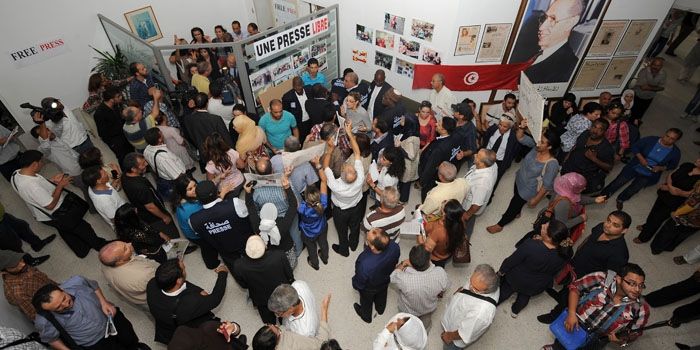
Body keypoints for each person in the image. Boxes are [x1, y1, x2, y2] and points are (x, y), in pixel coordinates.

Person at [536, 210, 631, 324]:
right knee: (566, 286)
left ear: (624, 230)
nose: (608, 225)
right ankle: (561, 295)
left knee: (570, 297)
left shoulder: (619, 253)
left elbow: (609, 278)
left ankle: (554, 315)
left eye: (615, 225)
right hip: (576, 265)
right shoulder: (602, 227)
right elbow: (588, 239)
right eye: (608, 220)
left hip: (585, 279)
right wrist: (577, 252)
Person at [11, 150, 107, 258]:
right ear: (34, 164)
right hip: (56, 212)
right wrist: (60, 186)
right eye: (41, 162)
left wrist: (52, 181)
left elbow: (38, 190)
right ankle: (100, 245)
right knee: (82, 227)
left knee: (65, 230)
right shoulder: (31, 186)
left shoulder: (17, 174)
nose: (42, 164)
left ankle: (81, 249)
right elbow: (50, 205)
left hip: (43, 216)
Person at [542, 263, 650, 350]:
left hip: (597, 339)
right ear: (618, 279)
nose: (637, 289)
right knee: (563, 339)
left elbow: (635, 332)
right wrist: (571, 313)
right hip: (575, 322)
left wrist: (622, 340)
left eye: (641, 285)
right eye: (632, 283)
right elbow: (575, 288)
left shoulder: (641, 308)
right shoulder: (600, 278)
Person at [32, 276, 149, 349]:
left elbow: (94, 286)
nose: (66, 304)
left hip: (111, 319)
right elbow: (52, 339)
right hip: (95, 342)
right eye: (58, 307)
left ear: (62, 289)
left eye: (63, 298)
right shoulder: (44, 321)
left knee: (129, 337)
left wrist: (104, 302)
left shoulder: (77, 281)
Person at [486, 123, 560, 234]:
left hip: (527, 190)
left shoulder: (552, 164)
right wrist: (522, 127)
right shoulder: (537, 147)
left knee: (513, 204)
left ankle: (500, 224)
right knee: (515, 197)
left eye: (543, 142)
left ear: (550, 147)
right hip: (519, 178)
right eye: (540, 139)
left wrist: (536, 200)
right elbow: (520, 137)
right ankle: (517, 211)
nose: (539, 142)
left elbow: (546, 185)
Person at [498, 220, 573, 317]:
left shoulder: (530, 245)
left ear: (549, 237)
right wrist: (542, 240)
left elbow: (512, 260)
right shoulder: (566, 253)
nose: (543, 225)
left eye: (545, 227)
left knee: (505, 291)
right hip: (537, 284)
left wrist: (501, 271)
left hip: (517, 278)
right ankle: (515, 311)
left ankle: (494, 303)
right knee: (524, 297)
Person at [147, 259, 229, 344]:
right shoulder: (190, 303)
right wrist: (223, 273)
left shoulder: (152, 284)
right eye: (184, 269)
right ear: (178, 280)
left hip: (166, 324)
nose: (185, 268)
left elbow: (183, 283)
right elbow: (215, 299)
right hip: (187, 328)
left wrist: (199, 290)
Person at [601, 128, 682, 210]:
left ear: (676, 141)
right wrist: (641, 158)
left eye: (672, 139)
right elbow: (635, 147)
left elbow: (673, 165)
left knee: (634, 188)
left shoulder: (675, 152)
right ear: (664, 134)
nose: (667, 139)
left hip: (650, 173)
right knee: (619, 181)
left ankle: (621, 199)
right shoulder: (651, 140)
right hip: (636, 165)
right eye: (667, 136)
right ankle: (604, 195)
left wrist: (661, 168)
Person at [635, 157, 700, 244]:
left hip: (675, 201)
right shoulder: (687, 165)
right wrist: (669, 186)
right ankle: (646, 226)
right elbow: (671, 175)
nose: (698, 159)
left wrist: (669, 188)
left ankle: (644, 237)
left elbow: (688, 194)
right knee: (653, 212)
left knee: (657, 219)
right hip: (664, 192)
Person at [189, 180, 253, 268]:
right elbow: (248, 213)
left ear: (198, 199)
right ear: (217, 192)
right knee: (254, 259)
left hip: (223, 248)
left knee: (235, 267)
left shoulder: (193, 220)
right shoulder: (234, 203)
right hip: (244, 241)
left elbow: (200, 233)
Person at [232, 235, 294, 324]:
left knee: (268, 320)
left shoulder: (238, 265)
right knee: (284, 315)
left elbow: (243, 285)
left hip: (260, 297)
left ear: (246, 250)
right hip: (281, 293)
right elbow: (289, 274)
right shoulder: (279, 255)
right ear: (265, 246)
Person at [325, 122, 365, 257]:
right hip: (356, 208)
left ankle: (344, 249)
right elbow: (357, 152)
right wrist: (349, 133)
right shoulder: (359, 179)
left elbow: (326, 167)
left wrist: (330, 150)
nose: (349, 165)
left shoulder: (335, 185)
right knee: (355, 228)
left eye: (348, 167)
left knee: (342, 231)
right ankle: (353, 244)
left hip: (340, 212)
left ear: (341, 175)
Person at [520, 0, 584, 84]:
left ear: (571, 22)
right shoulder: (530, 46)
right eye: (545, 18)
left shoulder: (567, 69)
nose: (541, 27)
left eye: (553, 19)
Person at [244, 173, 299, 268]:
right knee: (290, 265)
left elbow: (251, 208)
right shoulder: (282, 224)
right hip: (286, 249)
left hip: (271, 254)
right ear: (275, 215)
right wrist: (287, 187)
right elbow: (293, 206)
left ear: (261, 215)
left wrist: (248, 193)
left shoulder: (258, 227)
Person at [390, 245, 449, 331]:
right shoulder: (440, 273)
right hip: (428, 309)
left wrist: (403, 263)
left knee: (405, 326)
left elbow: (393, 277)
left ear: (411, 263)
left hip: (408, 309)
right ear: (429, 260)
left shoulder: (404, 279)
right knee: (425, 324)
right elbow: (444, 288)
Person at [121, 152, 180, 238]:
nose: (146, 164)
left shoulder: (125, 176)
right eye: (142, 164)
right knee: (171, 234)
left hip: (143, 212)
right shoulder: (139, 186)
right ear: (133, 169)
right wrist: (164, 217)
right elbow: (150, 207)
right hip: (155, 217)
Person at [440, 264, 500, 349]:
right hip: (454, 315)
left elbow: (464, 332)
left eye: (475, 288)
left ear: (487, 290)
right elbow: (466, 287)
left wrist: (448, 336)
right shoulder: (478, 281)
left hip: (454, 339)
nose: (470, 287)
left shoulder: (481, 313)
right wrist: (459, 291)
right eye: (471, 282)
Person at [352, 228, 401, 323]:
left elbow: (360, 282)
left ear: (373, 247)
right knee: (382, 294)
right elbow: (395, 262)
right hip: (385, 280)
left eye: (368, 238)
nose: (366, 233)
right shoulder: (395, 247)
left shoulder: (364, 263)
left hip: (369, 288)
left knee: (366, 302)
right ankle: (380, 309)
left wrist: (355, 284)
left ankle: (366, 316)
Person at [252, 294, 332, 349]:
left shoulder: (259, 346)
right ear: (275, 345)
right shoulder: (295, 344)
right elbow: (321, 343)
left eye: (269, 324)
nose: (277, 325)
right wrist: (324, 309)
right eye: (278, 330)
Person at [560, 119, 614, 194]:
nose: (595, 131)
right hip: (569, 167)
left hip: (582, 175)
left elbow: (609, 167)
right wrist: (567, 157)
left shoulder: (606, 148)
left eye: (600, 129)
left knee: (575, 193)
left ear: (605, 132)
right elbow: (576, 145)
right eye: (594, 127)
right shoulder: (585, 134)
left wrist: (594, 159)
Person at [182, 93, 233, 169]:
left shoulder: (187, 119)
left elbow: (188, 136)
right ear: (207, 103)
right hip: (219, 153)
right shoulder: (215, 119)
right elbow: (226, 137)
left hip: (203, 152)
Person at [98, 241, 158, 306]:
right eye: (125, 249)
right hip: (147, 299)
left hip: (130, 295)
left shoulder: (105, 264)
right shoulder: (143, 275)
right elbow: (161, 280)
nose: (129, 244)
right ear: (120, 261)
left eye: (125, 243)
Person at [1, 250, 55, 320]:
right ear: (3, 272)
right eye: (15, 265)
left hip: (56, 289)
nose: (23, 264)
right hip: (52, 309)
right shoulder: (16, 292)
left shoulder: (23, 267)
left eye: (20, 259)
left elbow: (45, 279)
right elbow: (36, 315)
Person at [649, 181, 700, 254]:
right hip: (697, 223)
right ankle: (670, 247)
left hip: (685, 217)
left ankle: (656, 248)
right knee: (683, 235)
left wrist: (676, 213)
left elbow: (691, 206)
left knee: (668, 231)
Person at [298, 160, 329, 270]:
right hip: (322, 227)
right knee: (323, 243)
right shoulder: (323, 203)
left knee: (311, 249)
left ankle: (315, 264)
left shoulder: (302, 208)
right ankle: (325, 258)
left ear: (306, 199)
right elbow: (324, 182)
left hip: (308, 233)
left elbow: (291, 196)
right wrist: (318, 166)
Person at [418, 118, 458, 200]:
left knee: (427, 192)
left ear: (444, 130)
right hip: (442, 171)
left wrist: (422, 181)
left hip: (433, 176)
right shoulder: (455, 137)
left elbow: (430, 167)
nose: (436, 124)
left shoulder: (439, 149)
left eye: (439, 124)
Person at [461, 149, 498, 238]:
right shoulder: (492, 164)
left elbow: (476, 206)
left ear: (482, 164)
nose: (475, 155)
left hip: (468, 207)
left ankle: (464, 239)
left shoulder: (482, 184)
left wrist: (466, 215)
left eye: (477, 156)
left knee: (467, 224)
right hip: (470, 195)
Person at [419, 200, 466, 267]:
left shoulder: (438, 231)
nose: (443, 201)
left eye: (445, 203)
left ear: (444, 214)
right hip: (447, 253)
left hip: (436, 258)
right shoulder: (460, 221)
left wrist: (420, 232)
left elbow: (426, 249)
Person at [93, 86, 134, 161]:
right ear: (111, 100)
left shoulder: (115, 106)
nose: (121, 97)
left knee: (132, 155)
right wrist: (113, 144)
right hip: (117, 143)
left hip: (125, 137)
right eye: (118, 96)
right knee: (124, 159)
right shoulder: (100, 113)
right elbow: (102, 133)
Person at [82, 165, 127, 230]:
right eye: (104, 173)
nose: (107, 173)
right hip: (123, 219)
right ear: (98, 181)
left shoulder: (94, 186)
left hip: (122, 207)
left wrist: (116, 180)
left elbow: (110, 188)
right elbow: (114, 219)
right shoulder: (104, 201)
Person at [482, 115, 521, 187]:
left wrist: (506, 165)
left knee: (493, 181)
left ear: (510, 127)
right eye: (500, 124)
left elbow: (513, 152)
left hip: (499, 162)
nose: (501, 128)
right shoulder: (493, 129)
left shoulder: (513, 138)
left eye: (505, 126)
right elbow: (485, 139)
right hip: (485, 156)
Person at [204, 132, 246, 197]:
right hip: (240, 181)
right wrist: (234, 167)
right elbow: (242, 166)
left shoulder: (210, 164)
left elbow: (210, 183)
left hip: (227, 190)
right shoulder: (232, 151)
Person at [632, 57, 666, 123]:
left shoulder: (663, 74)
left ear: (661, 66)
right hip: (637, 96)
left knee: (640, 115)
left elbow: (662, 88)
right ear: (651, 64)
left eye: (658, 65)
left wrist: (650, 87)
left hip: (649, 98)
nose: (655, 67)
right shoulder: (643, 71)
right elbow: (643, 87)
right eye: (654, 64)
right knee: (633, 113)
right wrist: (656, 87)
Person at [282, 76, 313, 141]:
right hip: (298, 125)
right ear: (293, 86)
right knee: (301, 141)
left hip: (310, 121)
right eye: (295, 86)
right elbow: (286, 113)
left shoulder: (309, 90)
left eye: (299, 85)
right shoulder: (287, 97)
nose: (298, 88)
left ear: (303, 84)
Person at [451, 102, 478, 170]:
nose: (453, 111)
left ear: (461, 116)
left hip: (457, 154)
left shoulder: (470, 130)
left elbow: (473, 149)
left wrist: (463, 154)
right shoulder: (454, 120)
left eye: (456, 111)